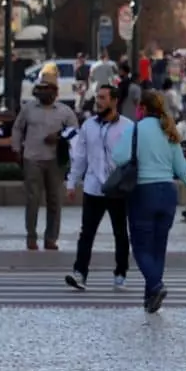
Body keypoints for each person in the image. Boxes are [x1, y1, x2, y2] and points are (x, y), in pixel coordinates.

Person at [112, 90, 186, 313]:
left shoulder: (134, 129)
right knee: (158, 248)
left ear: (141, 108)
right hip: (168, 194)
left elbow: (118, 156)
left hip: (143, 192)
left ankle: (155, 285)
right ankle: (150, 298)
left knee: (141, 247)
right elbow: (182, 168)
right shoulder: (168, 131)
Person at [64, 85, 133, 291]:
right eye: (97, 98)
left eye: (103, 98)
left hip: (117, 189)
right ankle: (80, 273)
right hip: (93, 187)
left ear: (114, 101)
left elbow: (133, 159)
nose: (99, 102)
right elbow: (80, 157)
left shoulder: (128, 127)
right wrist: (72, 182)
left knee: (120, 233)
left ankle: (120, 273)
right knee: (87, 233)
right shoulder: (88, 126)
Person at [11, 71, 79, 251]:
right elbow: (18, 128)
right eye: (40, 89)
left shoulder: (65, 111)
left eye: (47, 89)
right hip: (32, 158)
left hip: (55, 161)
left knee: (54, 200)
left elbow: (75, 132)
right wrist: (17, 149)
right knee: (32, 199)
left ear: (55, 92)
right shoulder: (28, 108)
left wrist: (58, 137)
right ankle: (31, 237)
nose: (43, 92)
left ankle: (51, 238)